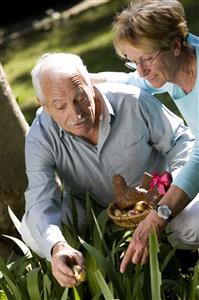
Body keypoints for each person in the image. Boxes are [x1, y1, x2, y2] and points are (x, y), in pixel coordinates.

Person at [21, 52, 197, 288]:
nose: (76, 114)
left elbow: (183, 142)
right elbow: (39, 198)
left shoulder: (132, 100)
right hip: (92, 207)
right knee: (33, 230)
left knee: (194, 221)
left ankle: (183, 256)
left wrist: (167, 188)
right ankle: (81, 261)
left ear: (90, 86)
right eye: (60, 106)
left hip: (158, 198)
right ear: (43, 105)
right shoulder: (40, 135)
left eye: (80, 97)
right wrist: (56, 246)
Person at [91, 0, 199, 273]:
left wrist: (159, 214)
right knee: (183, 227)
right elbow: (131, 81)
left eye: (147, 59)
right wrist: (81, 80)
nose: (141, 70)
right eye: (133, 61)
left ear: (175, 45)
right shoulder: (177, 67)